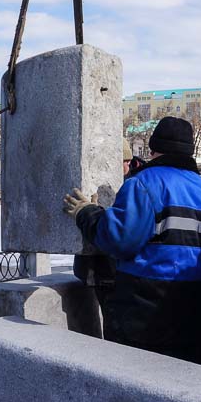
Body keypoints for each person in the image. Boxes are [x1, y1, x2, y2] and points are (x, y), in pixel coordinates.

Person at [62, 116, 201, 365]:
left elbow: (119, 240)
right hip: (197, 303)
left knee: (138, 379)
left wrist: (87, 213)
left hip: (148, 307)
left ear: (154, 149)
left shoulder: (144, 183)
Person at [72, 139, 134, 325]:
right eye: (124, 161)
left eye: (128, 162)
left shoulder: (132, 187)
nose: (126, 166)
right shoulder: (93, 179)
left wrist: (93, 212)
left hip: (113, 270)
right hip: (95, 268)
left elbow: (120, 231)